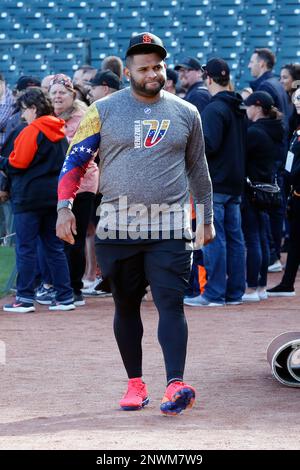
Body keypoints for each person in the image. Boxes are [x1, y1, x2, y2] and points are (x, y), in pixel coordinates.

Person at [56, 32, 214, 415]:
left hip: (171, 228)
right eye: (144, 68)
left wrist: (206, 218)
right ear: (128, 71)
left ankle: (175, 383)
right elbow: (75, 162)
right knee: (126, 307)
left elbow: (198, 170)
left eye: (157, 66)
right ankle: (135, 385)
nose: (152, 73)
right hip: (117, 227)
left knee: (170, 304)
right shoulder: (103, 110)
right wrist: (64, 206)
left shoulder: (186, 112)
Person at [0, 88, 74, 312]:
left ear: (33, 109)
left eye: (24, 110)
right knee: (54, 248)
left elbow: (17, 164)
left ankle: (24, 298)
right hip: (53, 196)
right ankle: (65, 296)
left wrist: (1, 161)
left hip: (29, 197)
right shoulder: (60, 130)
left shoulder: (33, 129)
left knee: (26, 248)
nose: (23, 116)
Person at [185, 58, 247, 307]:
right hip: (234, 182)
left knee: (212, 238)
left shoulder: (213, 109)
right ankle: (233, 292)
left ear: (208, 78)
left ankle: (214, 292)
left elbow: (208, 146)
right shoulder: (238, 106)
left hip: (215, 184)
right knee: (234, 239)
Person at [241, 91, 284, 302]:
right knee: (261, 238)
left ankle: (251, 288)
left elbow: (242, 155)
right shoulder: (275, 128)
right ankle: (262, 287)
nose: (246, 110)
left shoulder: (256, 132)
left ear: (257, 107)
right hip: (267, 190)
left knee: (254, 239)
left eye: (248, 106)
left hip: (253, 189)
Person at [267, 87, 300, 297]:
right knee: (296, 241)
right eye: (296, 99)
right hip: (296, 193)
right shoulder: (296, 129)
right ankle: (287, 282)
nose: (297, 102)